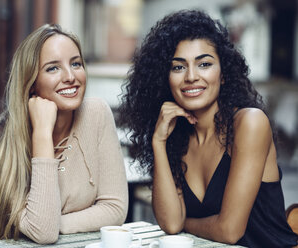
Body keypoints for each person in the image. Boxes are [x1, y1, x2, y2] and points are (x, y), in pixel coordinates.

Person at [119, 10, 298, 248]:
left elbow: (229, 231)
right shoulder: (176, 137)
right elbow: (171, 224)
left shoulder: (250, 123)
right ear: (166, 78)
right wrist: (159, 143)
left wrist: (186, 223)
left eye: (204, 64)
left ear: (223, 75)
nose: (191, 77)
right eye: (178, 67)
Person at [0, 24, 128, 244]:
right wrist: (43, 133)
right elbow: (43, 233)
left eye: (76, 64)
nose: (70, 76)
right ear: (31, 83)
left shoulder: (97, 114)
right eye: (52, 68)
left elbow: (115, 208)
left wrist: (56, 223)